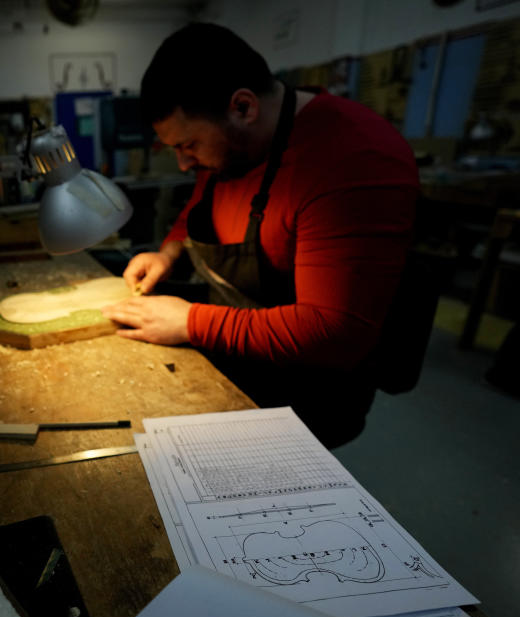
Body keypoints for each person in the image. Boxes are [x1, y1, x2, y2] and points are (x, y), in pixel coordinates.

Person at [100, 23, 420, 447]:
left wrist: (191, 322)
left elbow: (335, 333)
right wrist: (170, 252)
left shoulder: (352, 158)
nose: (182, 164)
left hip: (308, 391)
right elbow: (200, 205)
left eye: (189, 145)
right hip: (240, 353)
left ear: (243, 107)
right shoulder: (236, 146)